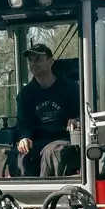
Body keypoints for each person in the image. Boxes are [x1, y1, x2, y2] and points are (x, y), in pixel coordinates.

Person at [15, 43, 80, 177]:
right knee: (22, 154)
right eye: (30, 60)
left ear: (50, 61)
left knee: (51, 152)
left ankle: (49, 194)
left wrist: (77, 120)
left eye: (38, 59)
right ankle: (24, 194)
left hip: (64, 138)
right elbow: (24, 122)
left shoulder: (71, 88)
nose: (33, 63)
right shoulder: (25, 94)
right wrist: (24, 137)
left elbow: (82, 113)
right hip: (37, 140)